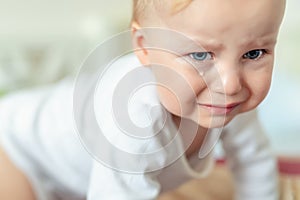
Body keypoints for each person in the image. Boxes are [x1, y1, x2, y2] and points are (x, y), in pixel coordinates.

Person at [0, 0, 286, 199]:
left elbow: (254, 162)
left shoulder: (229, 100)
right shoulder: (133, 116)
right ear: (144, 47)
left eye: (254, 54)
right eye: (200, 55)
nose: (231, 83)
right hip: (17, 150)